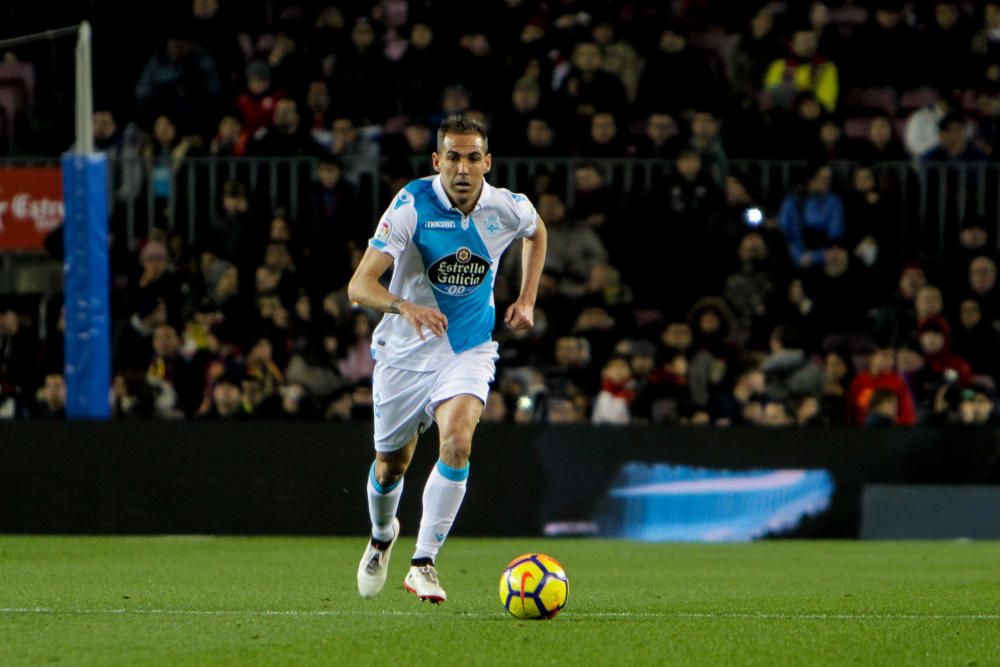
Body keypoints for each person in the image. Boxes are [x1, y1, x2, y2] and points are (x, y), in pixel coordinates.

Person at [348, 114, 547, 603]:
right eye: (453, 157)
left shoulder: (506, 207)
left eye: (472, 157)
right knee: (391, 465)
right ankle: (381, 536)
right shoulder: (412, 204)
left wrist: (527, 298)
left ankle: (423, 562)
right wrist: (405, 305)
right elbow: (359, 286)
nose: (463, 168)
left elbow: (537, 232)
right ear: (437, 160)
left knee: (457, 441)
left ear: (487, 162)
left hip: (468, 347)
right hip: (404, 352)